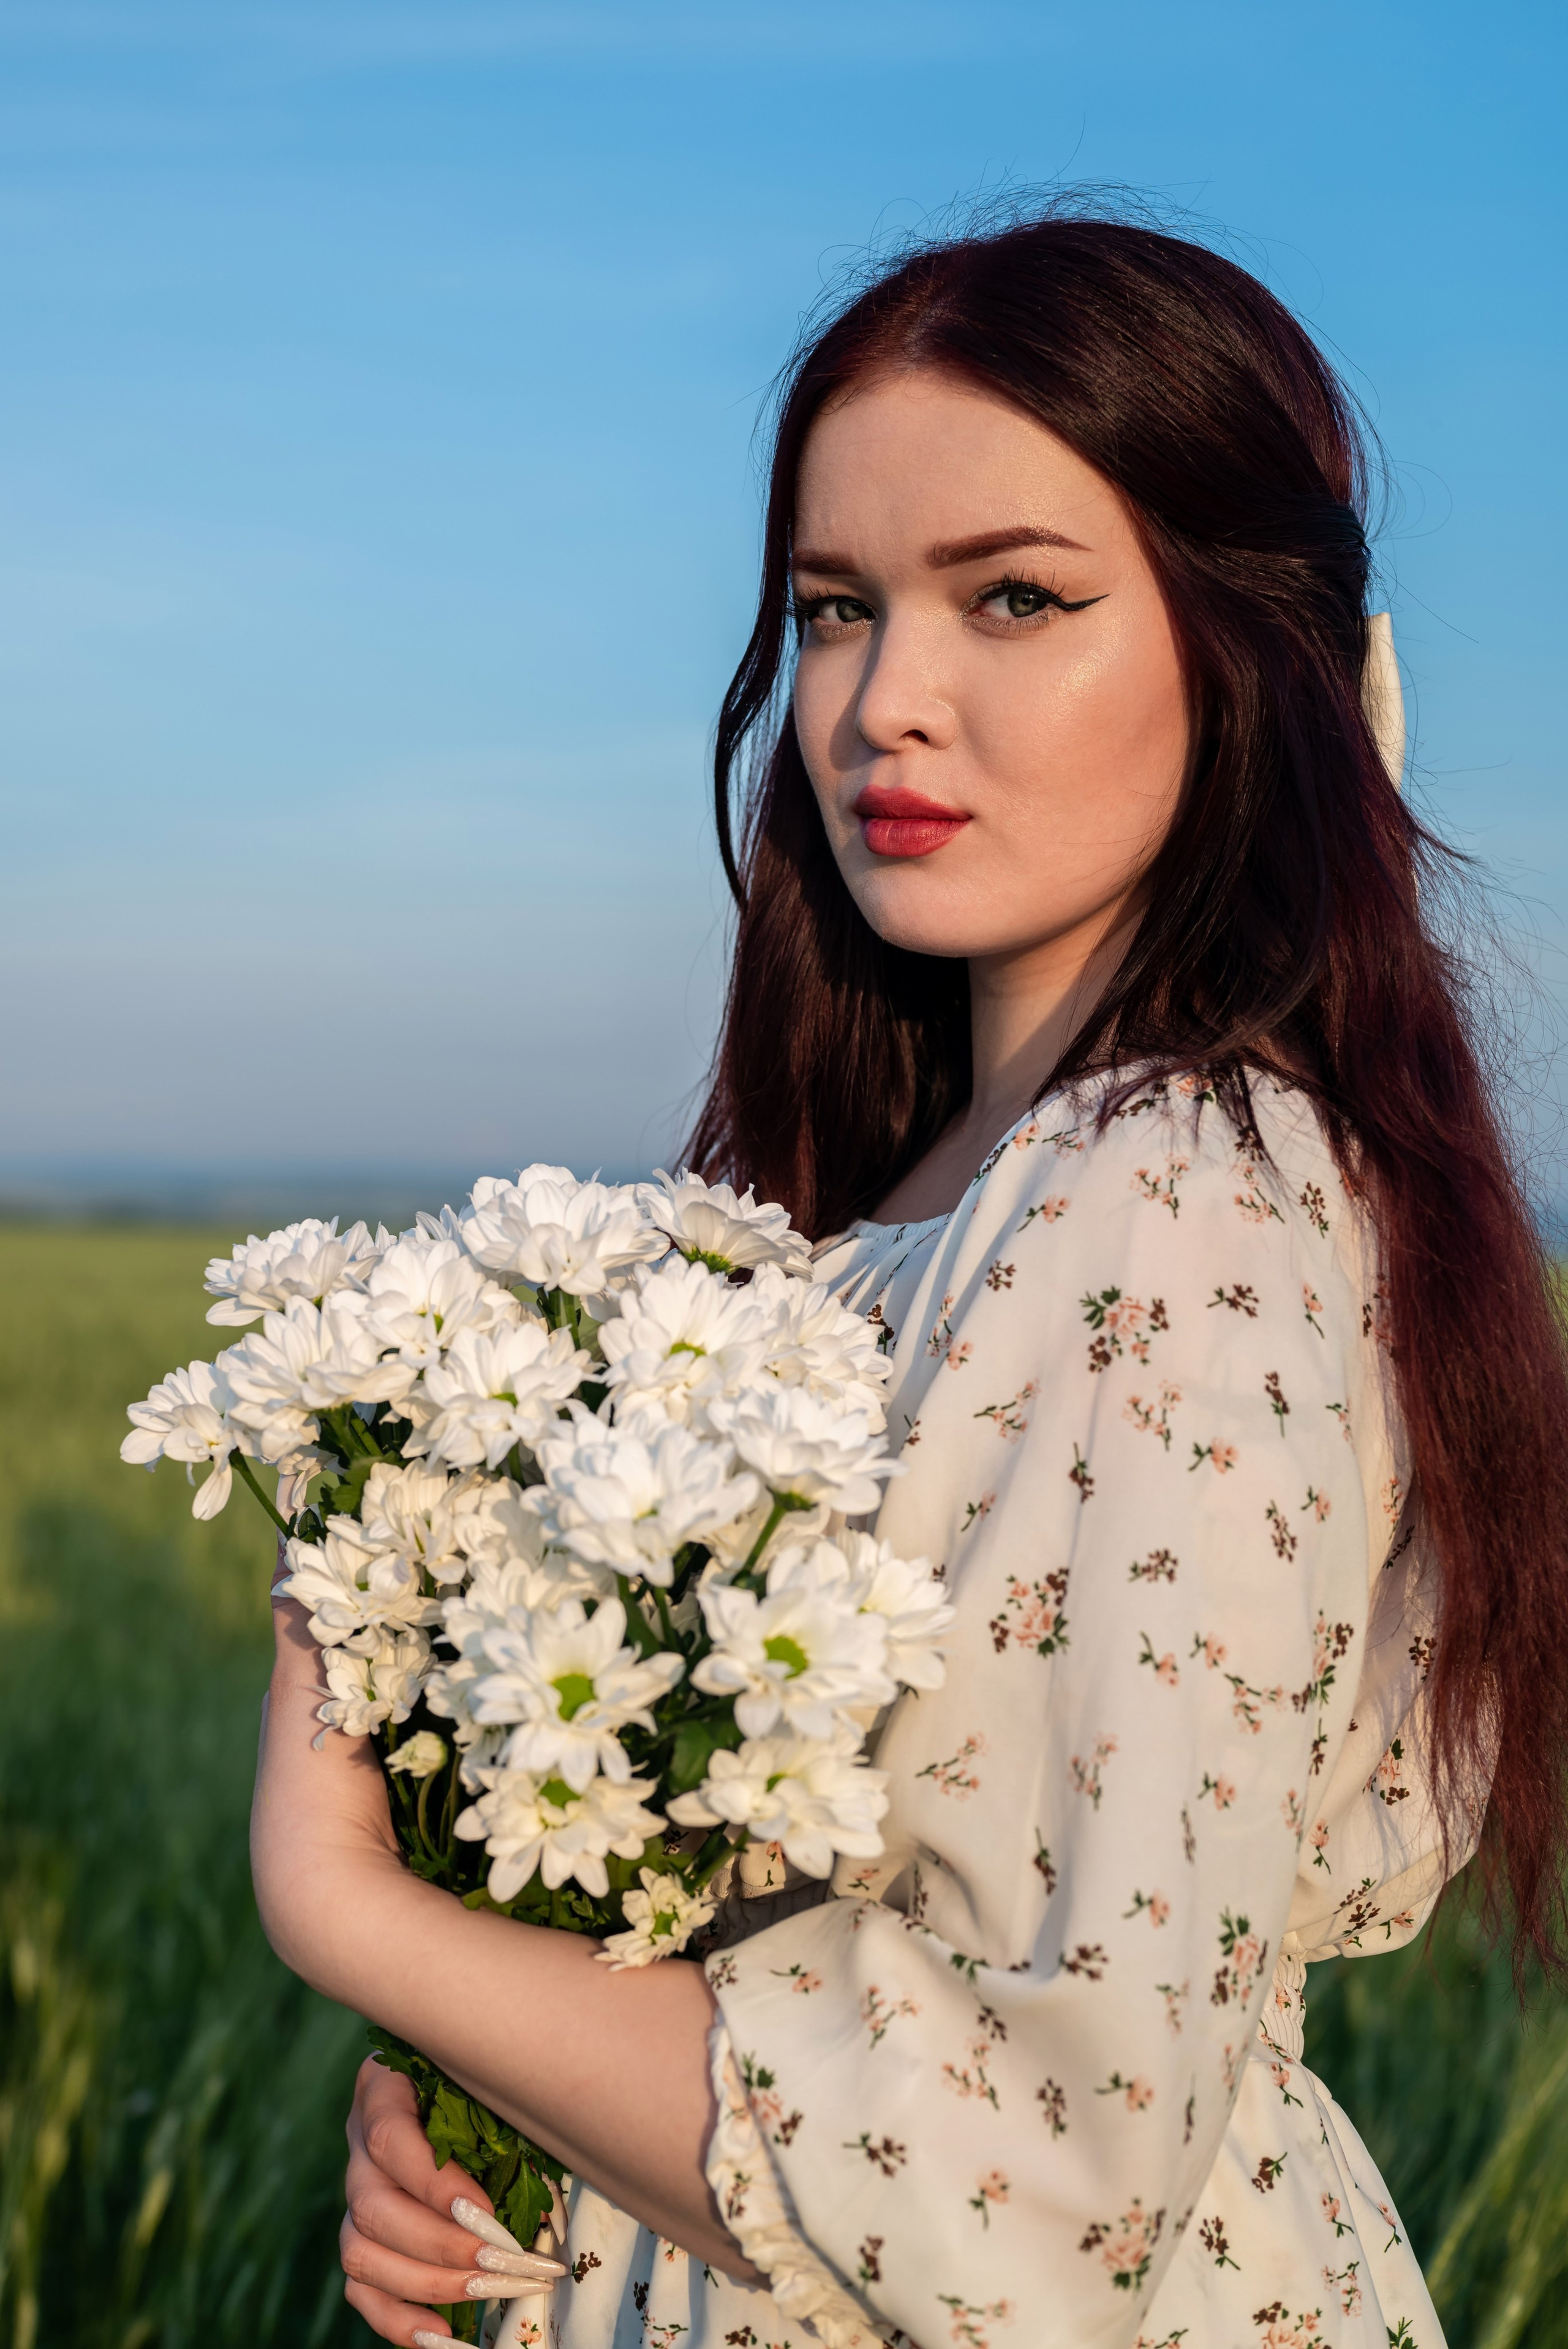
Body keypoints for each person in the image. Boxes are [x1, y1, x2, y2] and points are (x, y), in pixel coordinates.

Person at [251, 206, 1568, 2349]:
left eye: (1017, 599)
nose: (883, 702)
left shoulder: (1176, 1194)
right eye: (834, 608)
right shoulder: (908, 1201)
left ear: (1257, 650)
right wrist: (495, 2113)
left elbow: (1036, 2187)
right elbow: (767, 1975)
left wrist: (346, 1906)